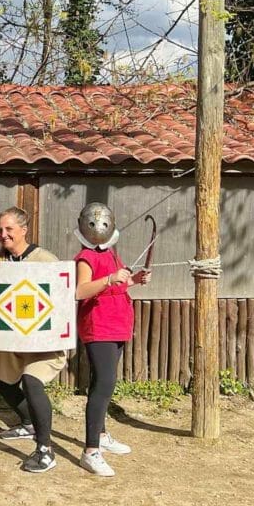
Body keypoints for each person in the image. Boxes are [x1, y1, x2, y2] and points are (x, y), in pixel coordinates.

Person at [0, 207, 68, 474]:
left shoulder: (46, 260)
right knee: (1, 382)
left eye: (9, 229)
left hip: (43, 342)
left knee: (31, 383)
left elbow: (62, 298)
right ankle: (28, 422)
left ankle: (45, 450)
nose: (3, 234)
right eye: (0, 229)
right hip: (13, 340)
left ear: (24, 230)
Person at [74, 201, 150, 477]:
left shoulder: (111, 254)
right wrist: (109, 279)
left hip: (117, 325)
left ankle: (102, 435)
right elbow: (80, 291)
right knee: (104, 385)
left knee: (103, 383)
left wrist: (134, 280)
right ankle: (91, 451)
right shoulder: (86, 257)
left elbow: (118, 285)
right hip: (99, 327)